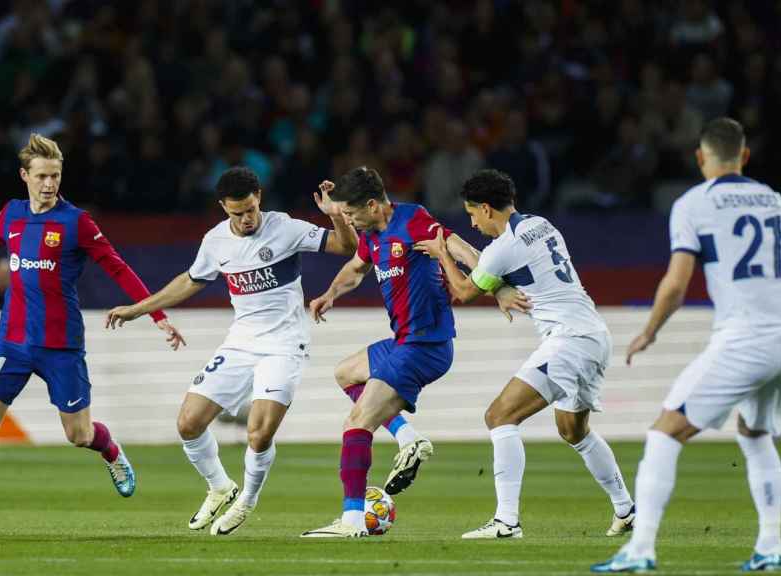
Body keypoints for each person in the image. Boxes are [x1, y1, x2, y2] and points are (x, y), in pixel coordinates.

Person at [591, 118, 781, 573]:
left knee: (665, 432)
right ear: (744, 156)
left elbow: (677, 285)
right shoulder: (777, 201)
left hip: (745, 338)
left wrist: (650, 331)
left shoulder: (693, 204)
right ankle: (771, 547)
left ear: (700, 158)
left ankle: (639, 550)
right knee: (756, 434)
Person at [0, 133, 182, 531]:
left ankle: (111, 451)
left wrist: (156, 315)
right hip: (12, 341)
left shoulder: (77, 222)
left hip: (61, 345)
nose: (49, 184)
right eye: (41, 176)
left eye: (55, 175)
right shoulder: (12, 214)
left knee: (78, 433)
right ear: (25, 175)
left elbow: (117, 267)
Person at [105, 166, 358, 535]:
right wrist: (138, 308)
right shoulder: (215, 241)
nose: (246, 219)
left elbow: (346, 247)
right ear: (223, 206)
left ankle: (247, 501)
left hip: (285, 344)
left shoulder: (285, 227)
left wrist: (337, 217)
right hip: (241, 342)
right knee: (188, 423)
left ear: (260, 199)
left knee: (258, 433)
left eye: (251, 209)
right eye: (236, 213)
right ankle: (221, 486)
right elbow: (190, 281)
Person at [300, 166, 528, 538]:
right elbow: (355, 270)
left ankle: (353, 521)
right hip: (405, 341)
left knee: (357, 423)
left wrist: (498, 289)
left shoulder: (413, 220)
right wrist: (329, 294)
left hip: (426, 345)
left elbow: (463, 249)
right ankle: (409, 439)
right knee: (345, 372)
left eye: (353, 214)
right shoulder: (371, 235)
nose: (350, 221)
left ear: (373, 205)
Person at [414, 169, 635, 540]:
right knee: (573, 431)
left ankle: (506, 522)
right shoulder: (540, 224)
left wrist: (442, 256)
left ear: (486, 209)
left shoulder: (504, 247)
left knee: (500, 415)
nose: (472, 222)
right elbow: (501, 270)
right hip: (595, 334)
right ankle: (627, 510)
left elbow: (465, 292)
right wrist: (500, 290)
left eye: (472, 214)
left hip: (569, 340)